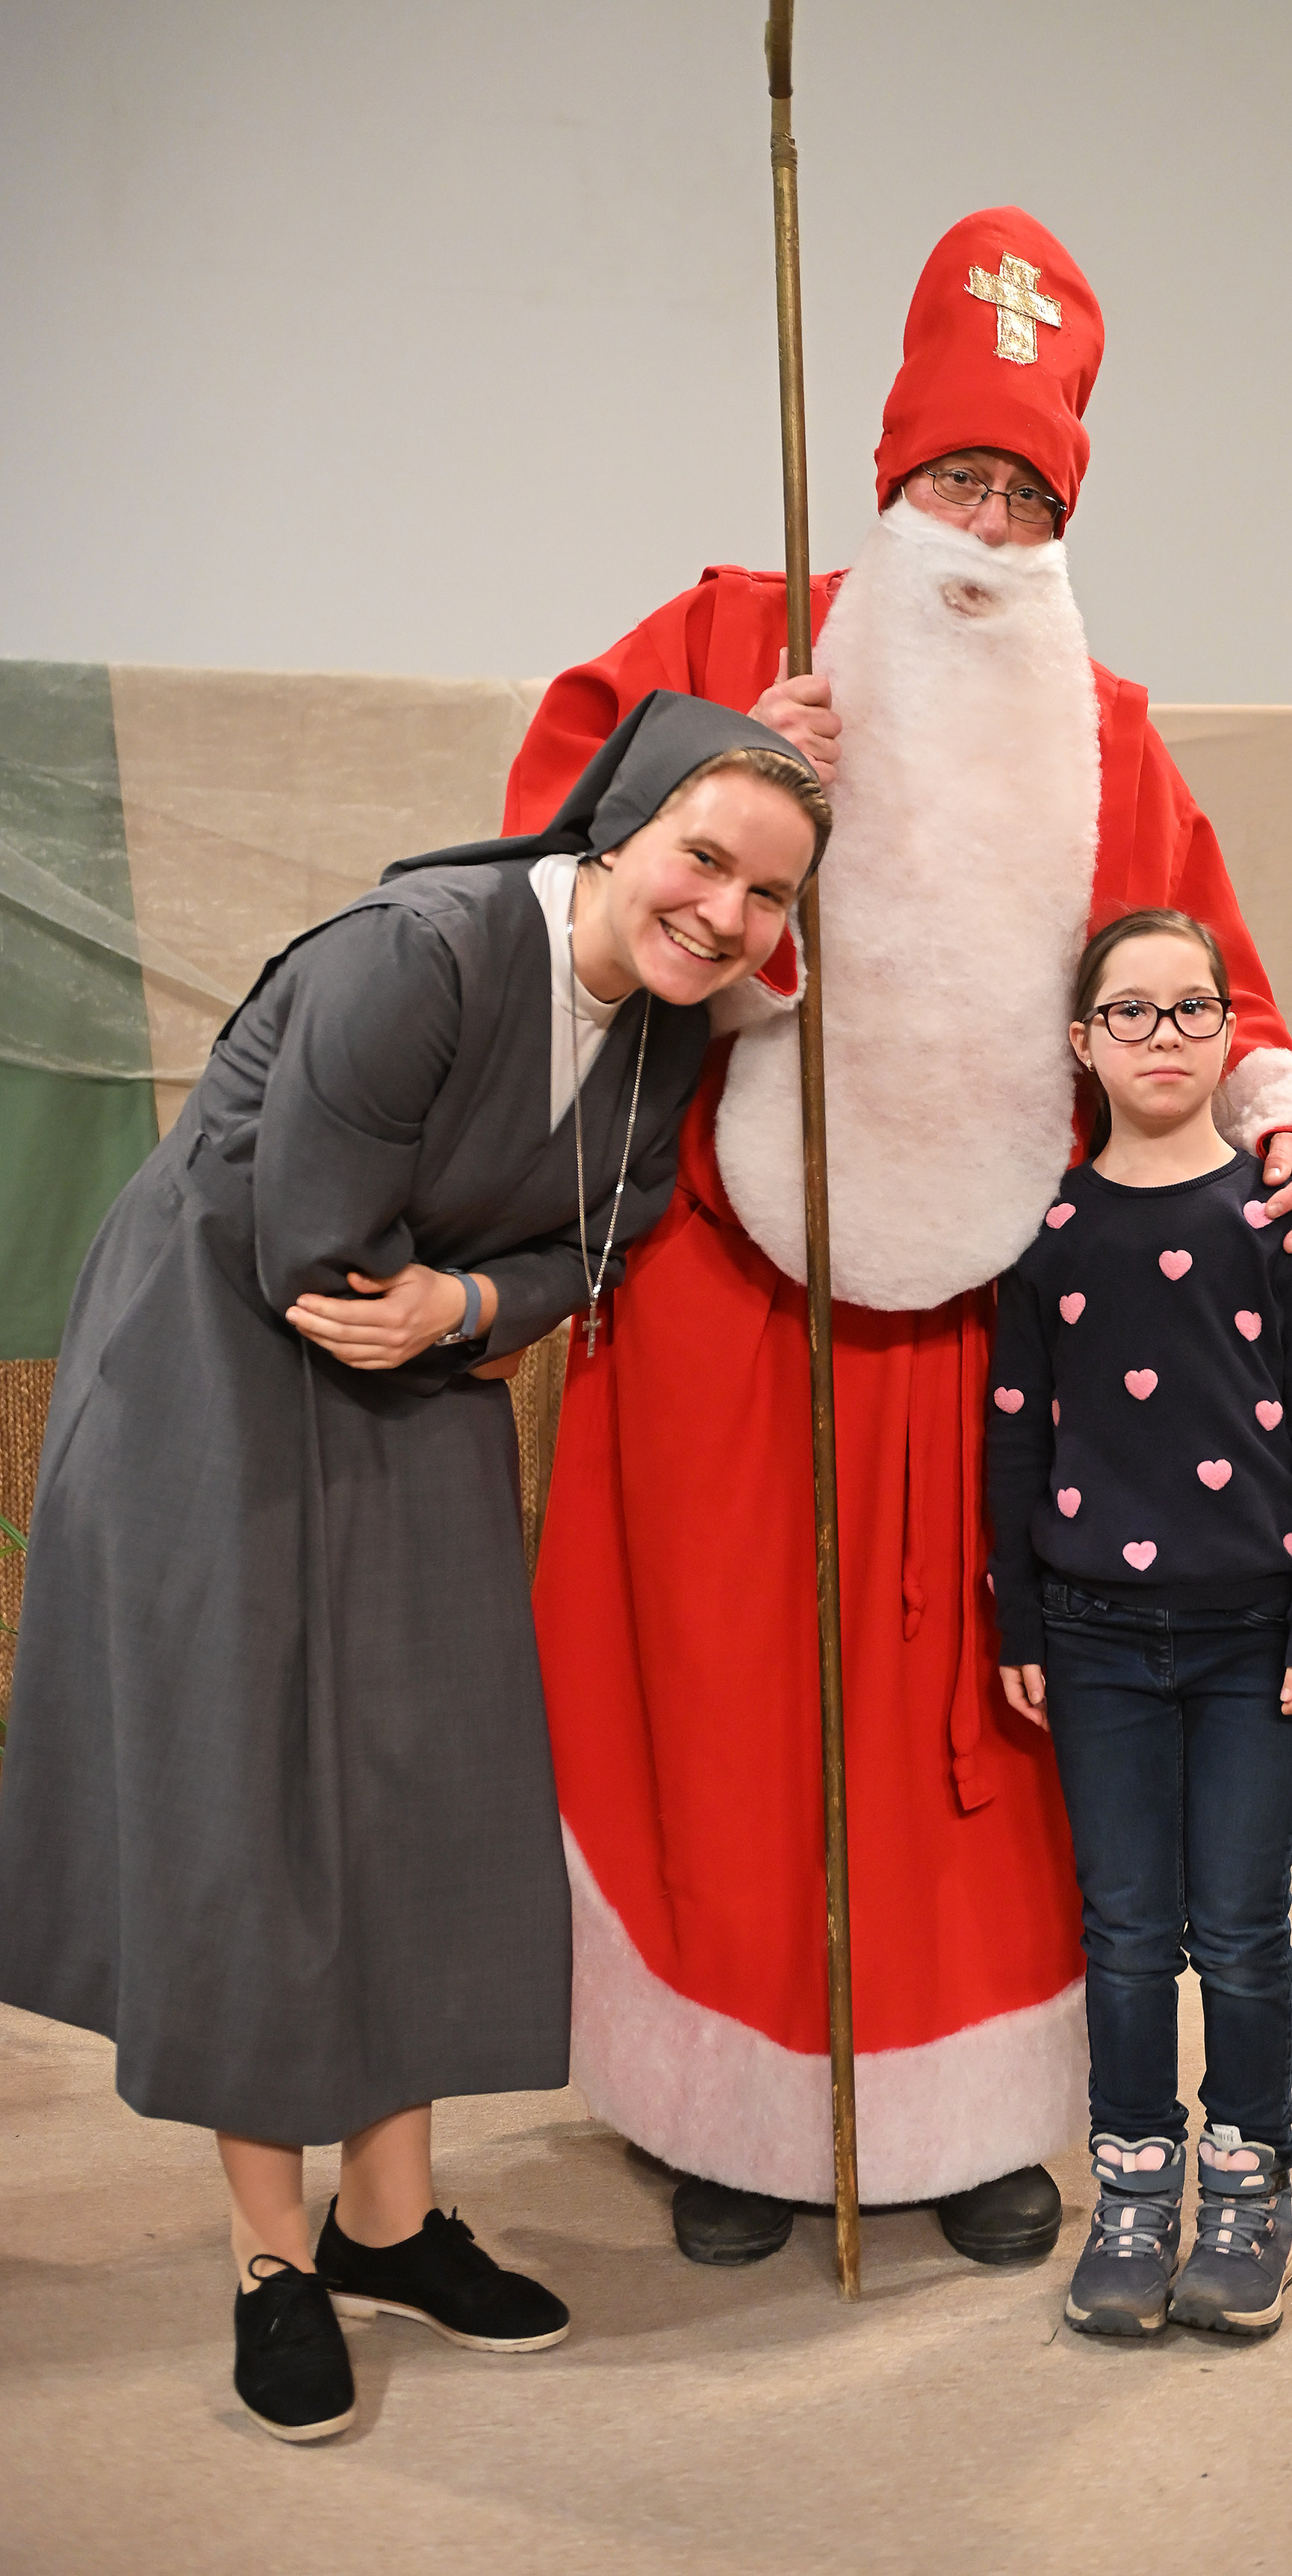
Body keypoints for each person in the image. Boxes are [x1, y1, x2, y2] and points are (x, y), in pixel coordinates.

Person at [505, 206, 1292, 2269]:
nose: (982, 528)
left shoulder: (1107, 730)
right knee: (726, 1702)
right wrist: (723, 769)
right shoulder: (727, 635)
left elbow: (1208, 985)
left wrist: (1291, 1111)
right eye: (954, 479)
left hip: (1003, 1334)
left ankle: (970, 2112)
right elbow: (548, 874)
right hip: (723, 1303)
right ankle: (733, 2115)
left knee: (978, 1728)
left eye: (1023, 495)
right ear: (889, 472)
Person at [0, 695, 828, 2440]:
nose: (727, 915)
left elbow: (612, 1235)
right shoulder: (418, 955)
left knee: (428, 1776)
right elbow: (315, 1255)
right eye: (703, 860)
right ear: (612, 833)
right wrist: (473, 1305)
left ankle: (386, 2222)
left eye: (768, 895)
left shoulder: (668, 1026)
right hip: (217, 1368)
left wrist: (469, 1301)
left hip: (413, 1359)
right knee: (259, 1804)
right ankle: (268, 2254)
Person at [987, 907, 1292, 2339]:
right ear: (1082, 1043)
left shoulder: (1282, 1218)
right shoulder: (1045, 1233)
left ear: (1229, 1031)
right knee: (1128, 1931)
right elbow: (1015, 1437)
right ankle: (1134, 2185)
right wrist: (1020, 1621)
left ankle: (1248, 2184)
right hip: (1092, 1636)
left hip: (1253, 1640)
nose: (1162, 1035)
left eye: (1190, 1008)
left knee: (1242, 1928)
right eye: (1129, 1012)